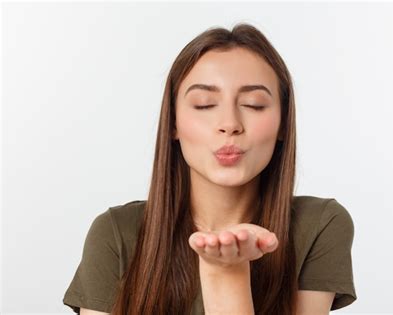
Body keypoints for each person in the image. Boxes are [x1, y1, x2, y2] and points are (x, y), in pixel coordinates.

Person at [63, 23, 357, 315]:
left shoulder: (319, 225)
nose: (229, 123)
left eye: (254, 104)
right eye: (204, 104)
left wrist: (227, 274)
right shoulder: (116, 234)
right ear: (174, 123)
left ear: (283, 123)